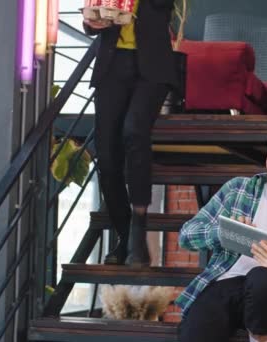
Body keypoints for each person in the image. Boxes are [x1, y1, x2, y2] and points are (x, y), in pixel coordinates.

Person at [176, 129, 267, 342]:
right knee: (196, 330)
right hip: (225, 286)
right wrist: (223, 232)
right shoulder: (238, 189)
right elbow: (186, 236)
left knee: (262, 276)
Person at [83, 0, 178, 266]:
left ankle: (138, 229)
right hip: (112, 66)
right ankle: (125, 237)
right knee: (107, 156)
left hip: (152, 68)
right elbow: (93, 18)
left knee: (134, 131)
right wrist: (91, 23)